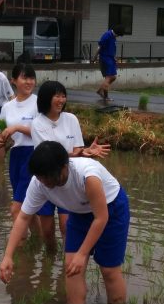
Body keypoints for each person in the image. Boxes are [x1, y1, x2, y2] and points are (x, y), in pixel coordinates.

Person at [0, 141, 129, 304]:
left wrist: (82, 254)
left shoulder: (87, 176)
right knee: (71, 267)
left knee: (109, 270)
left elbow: (100, 219)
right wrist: (8, 256)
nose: (45, 182)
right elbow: (23, 218)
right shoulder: (39, 182)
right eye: (41, 177)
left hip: (111, 210)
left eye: (48, 177)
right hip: (79, 212)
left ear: (64, 166)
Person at [30, 81, 110, 247]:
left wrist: (86, 151)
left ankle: (69, 260)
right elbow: (48, 156)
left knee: (67, 226)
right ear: (46, 98)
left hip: (68, 178)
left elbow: (78, 150)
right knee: (47, 230)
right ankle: (49, 260)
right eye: (57, 96)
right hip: (47, 178)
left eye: (63, 96)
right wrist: (78, 153)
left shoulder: (71, 119)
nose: (61, 100)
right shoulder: (37, 123)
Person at [0, 63, 38, 223]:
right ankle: (37, 243)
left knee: (16, 208)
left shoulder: (38, 103)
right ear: (14, 81)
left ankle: (18, 246)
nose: (29, 82)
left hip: (34, 155)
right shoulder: (7, 107)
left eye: (32, 78)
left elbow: (43, 132)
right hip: (15, 156)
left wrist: (17, 128)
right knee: (27, 206)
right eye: (25, 78)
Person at [92, 24, 124, 103]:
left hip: (110, 59)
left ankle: (100, 90)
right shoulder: (107, 35)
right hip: (105, 59)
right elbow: (99, 47)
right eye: (118, 35)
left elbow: (110, 48)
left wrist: (114, 57)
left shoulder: (113, 37)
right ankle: (105, 97)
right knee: (109, 78)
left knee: (112, 77)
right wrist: (94, 58)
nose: (118, 37)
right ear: (116, 32)